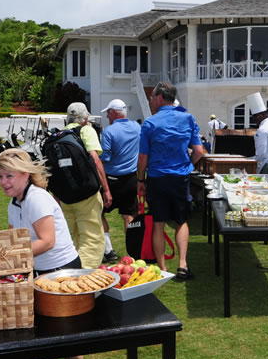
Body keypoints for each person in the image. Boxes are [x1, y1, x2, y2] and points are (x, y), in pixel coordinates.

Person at [0, 148, 94, 359]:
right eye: (0, 176)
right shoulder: (14, 202)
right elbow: (13, 238)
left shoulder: (36, 199)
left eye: (9, 176)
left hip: (62, 272)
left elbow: (47, 241)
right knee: (38, 328)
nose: (4, 182)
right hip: (37, 272)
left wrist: (14, 256)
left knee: (65, 334)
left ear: (26, 175)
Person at [137, 82, 205, 280]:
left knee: (158, 222)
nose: (150, 100)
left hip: (157, 178)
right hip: (179, 177)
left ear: (159, 97)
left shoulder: (150, 123)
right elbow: (199, 151)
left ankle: (162, 268)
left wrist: (140, 180)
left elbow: (143, 159)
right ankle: (183, 265)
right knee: (181, 221)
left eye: (152, 97)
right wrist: (188, 165)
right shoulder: (187, 118)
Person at [59, 102, 112, 269]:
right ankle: (84, 280)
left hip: (65, 197)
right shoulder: (86, 130)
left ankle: (71, 272)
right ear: (85, 118)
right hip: (86, 194)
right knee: (92, 239)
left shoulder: (58, 135)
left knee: (74, 238)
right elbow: (95, 160)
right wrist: (106, 189)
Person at [99, 99, 141, 263]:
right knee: (129, 216)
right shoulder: (137, 127)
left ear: (115, 112)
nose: (107, 116)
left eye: (108, 112)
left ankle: (108, 251)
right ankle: (133, 253)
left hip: (112, 181)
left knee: (98, 213)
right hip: (131, 179)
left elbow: (106, 157)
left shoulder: (109, 131)